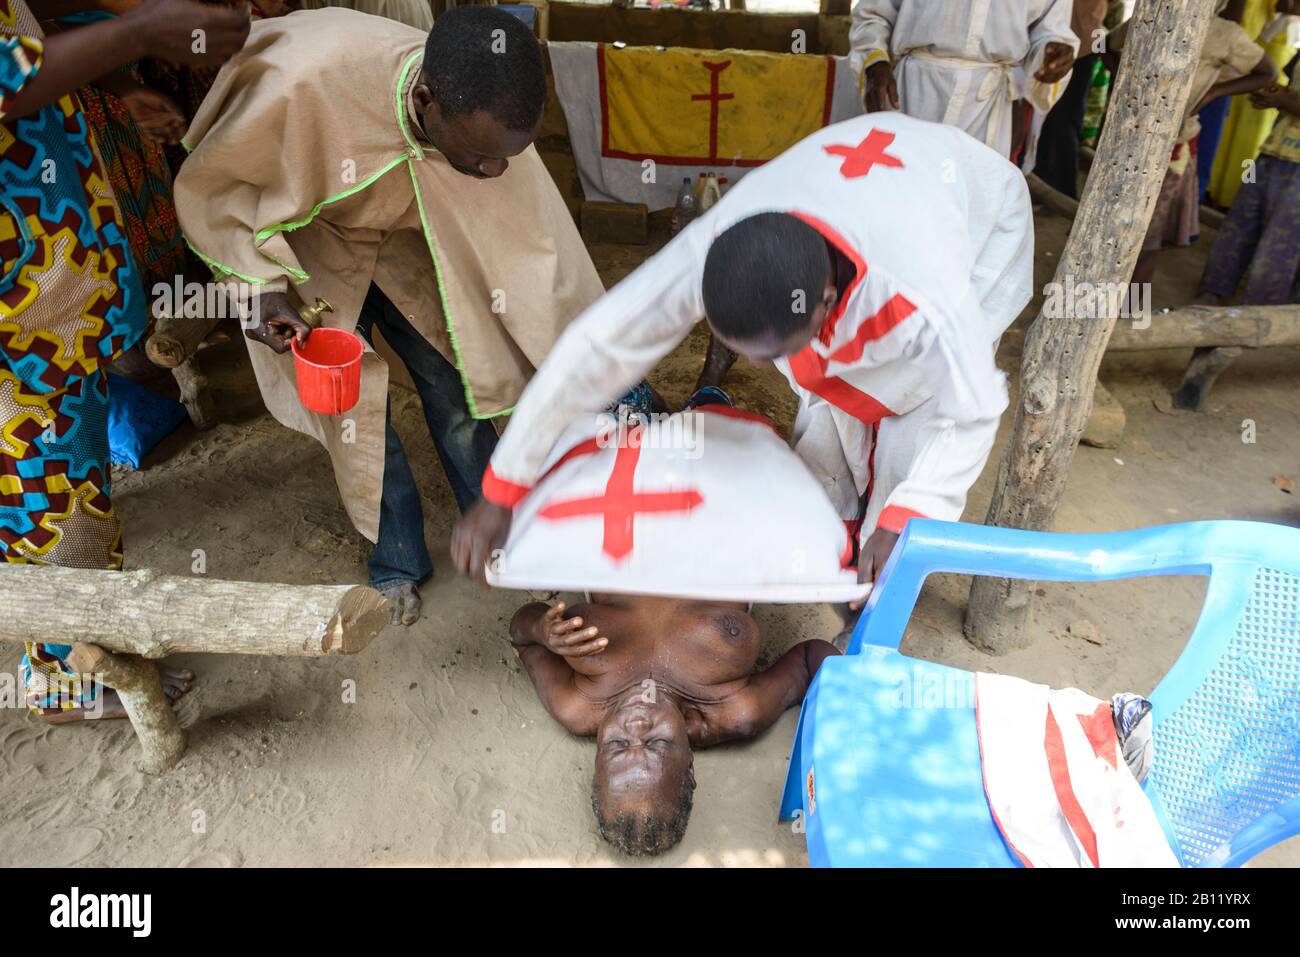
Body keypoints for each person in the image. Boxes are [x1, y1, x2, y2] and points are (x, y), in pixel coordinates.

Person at [452, 111, 1034, 607]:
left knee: (911, 413)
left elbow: (974, 408)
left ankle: (881, 570)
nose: (757, 371)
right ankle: (841, 529)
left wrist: (909, 512)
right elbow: (596, 346)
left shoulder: (926, 287)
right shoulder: (717, 241)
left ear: (826, 302)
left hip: (981, 225)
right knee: (829, 412)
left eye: (771, 351)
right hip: (865, 200)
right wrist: (503, 487)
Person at [173, 7, 605, 625]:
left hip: (408, 240)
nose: (495, 173)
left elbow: (544, 260)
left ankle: (501, 530)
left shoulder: (494, 126)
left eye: (508, 158)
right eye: (483, 159)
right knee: (352, 406)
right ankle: (397, 560)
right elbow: (216, 189)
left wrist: (596, 369)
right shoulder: (303, 85)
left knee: (454, 378)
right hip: (311, 241)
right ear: (425, 101)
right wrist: (261, 288)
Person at [1, 0, 248, 719]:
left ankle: (88, 640)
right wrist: (142, 32)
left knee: (71, 464)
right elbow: (8, 73)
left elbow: (26, 39)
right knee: (46, 483)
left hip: (46, 283)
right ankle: (66, 674)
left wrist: (109, 86)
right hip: (20, 306)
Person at [510, 595, 838, 856]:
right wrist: (840, 746)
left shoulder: (577, 704)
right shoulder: (737, 710)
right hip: (730, 528)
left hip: (620, 525)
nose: (636, 725)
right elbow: (812, 658)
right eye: (657, 744)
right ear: (690, 766)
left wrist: (543, 631)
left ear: (596, 762)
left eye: (617, 745)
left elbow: (521, 634)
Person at [1106, 5, 1276, 291]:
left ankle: (1132, 310)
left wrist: (1214, 92)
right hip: (1125, 135)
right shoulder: (1151, 16)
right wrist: (1126, 78)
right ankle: (1099, 295)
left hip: (1173, 143)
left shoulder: (1224, 33)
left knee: (1147, 234)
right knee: (1111, 222)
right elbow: (1104, 46)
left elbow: (1268, 72)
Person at [849, 0, 1078, 156]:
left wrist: (1053, 55)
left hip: (987, 106)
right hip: (913, 92)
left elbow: (1051, 31)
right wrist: (874, 60)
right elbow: (874, 12)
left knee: (971, 203)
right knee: (900, 191)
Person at [1197, 70, 1300, 308]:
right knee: (1238, 224)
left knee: (1279, 243)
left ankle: (1258, 315)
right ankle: (1212, 291)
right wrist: (1279, 96)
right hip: (1272, 151)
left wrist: (1284, 101)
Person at [1032, 0, 1109, 197]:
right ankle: (1043, 178)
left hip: (1078, 46)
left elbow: (1101, 16)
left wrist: (1099, 51)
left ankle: (1064, 188)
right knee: (1050, 115)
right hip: (1071, 44)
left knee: (1065, 118)